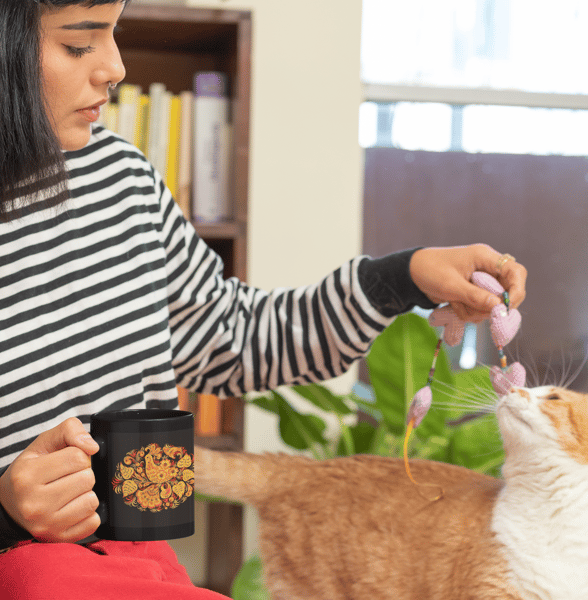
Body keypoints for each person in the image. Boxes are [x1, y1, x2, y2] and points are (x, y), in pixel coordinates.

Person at [0, 0, 527, 598]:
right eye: (79, 43)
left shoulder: (122, 179)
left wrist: (402, 278)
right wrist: (6, 508)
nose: (115, 66)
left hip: (143, 564)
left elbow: (235, 337)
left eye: (115, 34)